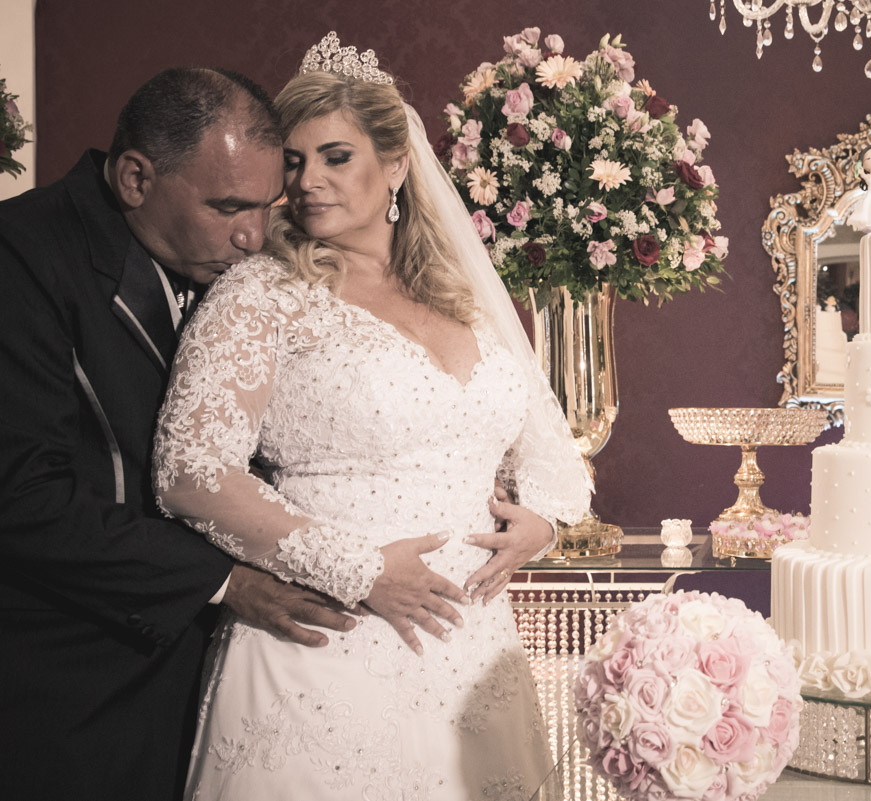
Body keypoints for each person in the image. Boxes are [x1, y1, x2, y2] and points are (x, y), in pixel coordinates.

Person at [0, 67, 466, 801]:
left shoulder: (227, 262)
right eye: (228, 207)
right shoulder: (20, 255)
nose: (254, 235)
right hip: (68, 680)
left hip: (213, 676)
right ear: (133, 177)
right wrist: (223, 579)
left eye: (264, 206)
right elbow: (22, 496)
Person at [152, 33, 592, 800]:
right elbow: (191, 475)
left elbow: (554, 464)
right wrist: (359, 572)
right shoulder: (260, 294)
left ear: (395, 164)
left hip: (475, 656)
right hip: (325, 646)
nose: (309, 182)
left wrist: (544, 525)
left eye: (335, 156)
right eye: (292, 162)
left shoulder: (465, 298)